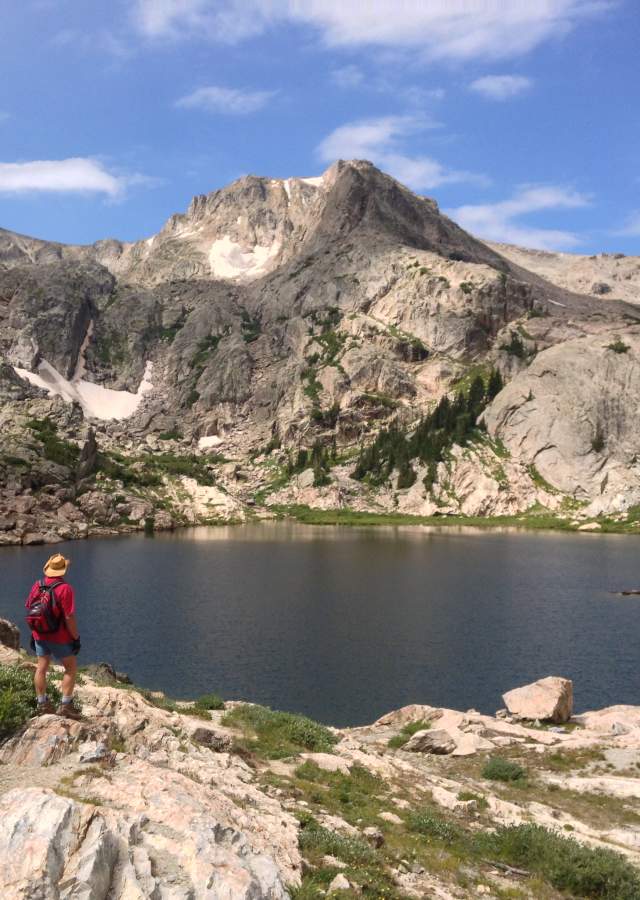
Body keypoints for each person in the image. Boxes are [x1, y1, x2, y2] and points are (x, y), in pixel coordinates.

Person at [26, 553, 82, 719]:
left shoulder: (38, 584)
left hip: (39, 634)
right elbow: (69, 617)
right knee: (70, 668)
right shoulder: (65, 588)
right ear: (63, 571)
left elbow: (30, 607)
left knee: (41, 667)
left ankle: (42, 703)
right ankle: (65, 705)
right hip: (59, 637)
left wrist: (34, 632)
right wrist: (76, 637)